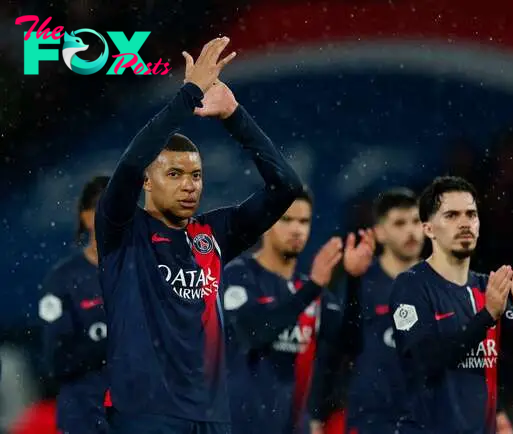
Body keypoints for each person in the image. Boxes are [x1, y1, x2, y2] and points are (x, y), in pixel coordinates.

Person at [95, 36, 304, 434]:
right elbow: (128, 166)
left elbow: (286, 187)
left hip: (211, 418)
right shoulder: (123, 228)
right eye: (174, 174)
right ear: (147, 183)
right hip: (145, 415)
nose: (189, 185)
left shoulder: (214, 234)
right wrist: (188, 94)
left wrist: (235, 115)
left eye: (195, 175)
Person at [389, 175, 513, 433]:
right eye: (451, 215)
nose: (465, 223)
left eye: (471, 214)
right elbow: (425, 362)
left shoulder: (490, 287)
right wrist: (486, 316)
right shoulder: (411, 286)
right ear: (428, 228)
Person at [223, 188, 374, 434]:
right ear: (267, 222)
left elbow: (350, 346)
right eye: (287, 219)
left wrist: (354, 280)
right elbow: (252, 334)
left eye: (304, 221)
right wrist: (313, 287)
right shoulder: (239, 274)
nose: (297, 229)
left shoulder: (311, 289)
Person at [309, 188, 424, 434]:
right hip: (370, 418)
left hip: (426, 417)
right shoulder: (360, 282)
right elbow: (331, 350)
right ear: (380, 232)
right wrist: (317, 413)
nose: (411, 231)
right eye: (400, 223)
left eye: (416, 221)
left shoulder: (437, 284)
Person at [38, 175, 110, 434]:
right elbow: (57, 360)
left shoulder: (144, 271)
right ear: (87, 217)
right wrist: (109, 342)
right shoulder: (64, 280)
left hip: (139, 410)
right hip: (85, 414)